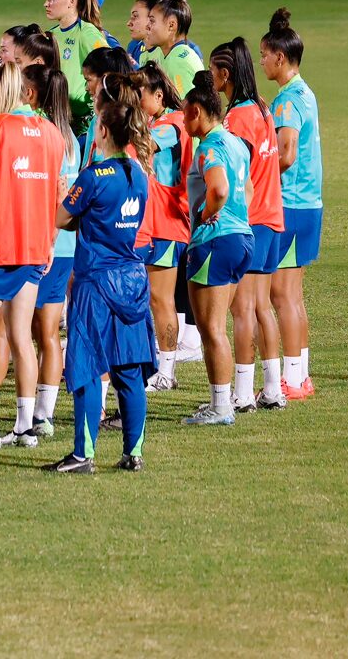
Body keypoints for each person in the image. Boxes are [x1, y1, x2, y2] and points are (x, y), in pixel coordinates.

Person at [0, 61, 64, 450]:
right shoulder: (52, 133)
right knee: (22, 335)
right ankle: (24, 426)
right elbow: (56, 193)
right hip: (37, 247)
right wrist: (49, 241)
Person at [50, 101, 155, 473]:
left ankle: (83, 455)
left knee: (87, 367)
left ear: (105, 132)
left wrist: (64, 193)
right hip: (131, 278)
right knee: (128, 369)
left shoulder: (93, 176)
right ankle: (134, 452)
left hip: (96, 282)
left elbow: (63, 216)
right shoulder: (139, 174)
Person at [212, 38, 286, 413]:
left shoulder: (237, 116)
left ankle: (242, 393)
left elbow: (240, 173)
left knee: (241, 309)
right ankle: (272, 387)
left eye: (213, 72)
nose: (210, 79)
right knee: (261, 307)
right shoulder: (262, 109)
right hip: (273, 217)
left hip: (251, 218)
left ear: (225, 74)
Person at [181, 70, 251, 427]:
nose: (182, 119)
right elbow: (247, 190)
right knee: (217, 325)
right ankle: (220, 402)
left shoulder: (208, 148)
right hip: (242, 238)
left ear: (196, 112)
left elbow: (219, 189)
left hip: (215, 240)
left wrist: (204, 213)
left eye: (184, 112)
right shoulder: (237, 143)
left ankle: (221, 407)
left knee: (211, 329)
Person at [261, 8, 318, 399]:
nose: (261, 61)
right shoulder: (305, 91)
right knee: (291, 295)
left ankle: (293, 380)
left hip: (292, 203)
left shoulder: (286, 102)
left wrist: (257, 173)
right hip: (309, 202)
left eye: (264, 55)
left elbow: (286, 153)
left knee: (280, 295)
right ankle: (300, 375)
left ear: (280, 58)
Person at [25, 64, 80, 440]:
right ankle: (43, 410)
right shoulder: (71, 138)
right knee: (42, 330)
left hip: (44, 242)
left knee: (37, 331)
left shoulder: (42, 136)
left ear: (32, 95)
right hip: (65, 245)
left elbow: (49, 196)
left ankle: (40, 413)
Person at [136, 62, 192, 393]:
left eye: (139, 96)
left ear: (158, 94)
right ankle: (156, 365)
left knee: (161, 298)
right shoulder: (159, 120)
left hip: (167, 223)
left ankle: (167, 371)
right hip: (153, 222)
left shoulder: (172, 124)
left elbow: (145, 146)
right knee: (150, 297)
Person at [44, 0, 110, 135]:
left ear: (72, 1)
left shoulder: (86, 34)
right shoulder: (50, 35)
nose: (46, 3)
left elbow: (110, 69)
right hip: (57, 120)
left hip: (82, 128)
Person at [142, 0, 206, 91]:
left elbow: (183, 106)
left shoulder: (178, 61)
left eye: (152, 21)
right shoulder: (169, 55)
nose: (147, 26)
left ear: (171, 25)